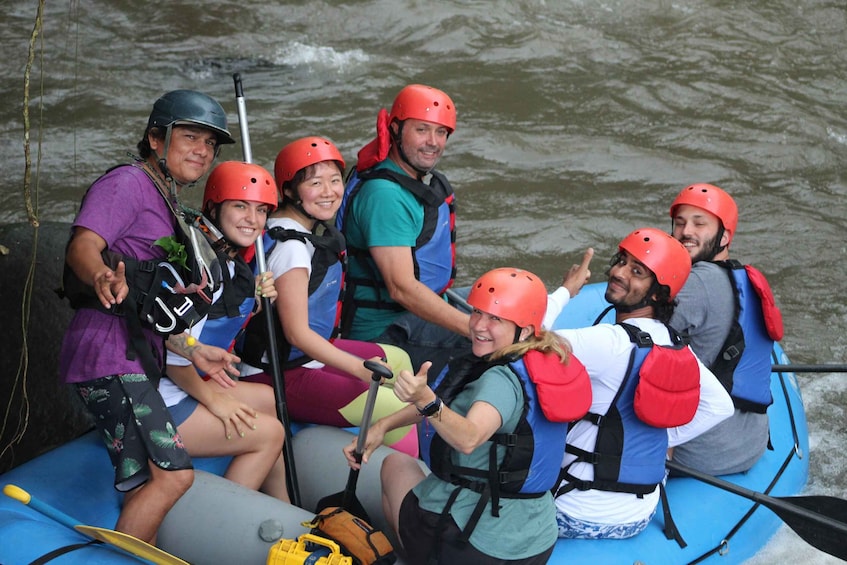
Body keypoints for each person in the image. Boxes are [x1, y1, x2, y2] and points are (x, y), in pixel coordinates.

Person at [58, 90, 242, 544]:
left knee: (148, 480)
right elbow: (84, 243)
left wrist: (195, 350)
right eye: (191, 136)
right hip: (108, 355)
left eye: (210, 144)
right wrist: (101, 275)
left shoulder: (167, 199)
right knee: (174, 475)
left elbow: (152, 308)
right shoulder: (128, 183)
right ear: (156, 138)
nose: (202, 150)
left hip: (135, 354)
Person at [344, 268, 592, 565]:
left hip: (475, 548)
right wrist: (384, 425)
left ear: (523, 329)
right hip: (535, 542)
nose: (478, 326)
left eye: (495, 319)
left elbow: (469, 437)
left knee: (394, 464)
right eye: (477, 312)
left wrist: (426, 400)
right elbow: (448, 402)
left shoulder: (499, 380)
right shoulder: (545, 353)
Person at [239, 136, 417, 455]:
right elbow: (297, 334)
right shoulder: (292, 249)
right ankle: (417, 479)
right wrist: (358, 368)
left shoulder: (291, 227)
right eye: (315, 182)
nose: (329, 191)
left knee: (399, 359)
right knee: (393, 408)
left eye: (335, 180)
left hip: (303, 360)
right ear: (290, 190)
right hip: (277, 373)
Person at [552, 228, 734, 540]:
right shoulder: (674, 343)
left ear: (658, 293)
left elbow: (523, 335)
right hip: (639, 514)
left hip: (574, 512)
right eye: (620, 261)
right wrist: (658, 439)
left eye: (636, 271)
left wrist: (566, 291)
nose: (618, 272)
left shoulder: (608, 341)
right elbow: (721, 407)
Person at [159, 160, 289, 502]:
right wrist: (214, 401)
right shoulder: (200, 270)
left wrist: (255, 300)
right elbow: (172, 352)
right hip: (162, 401)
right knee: (270, 434)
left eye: (261, 210)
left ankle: (286, 508)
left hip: (186, 386)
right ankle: (222, 520)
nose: (252, 219)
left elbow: (218, 323)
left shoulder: (228, 261)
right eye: (240, 206)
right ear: (214, 207)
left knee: (271, 400)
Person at [336, 84, 470, 379]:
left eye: (441, 132)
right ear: (395, 129)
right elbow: (403, 289)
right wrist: (472, 328)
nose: (432, 142)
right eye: (422, 130)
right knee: (491, 342)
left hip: (414, 317)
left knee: (502, 306)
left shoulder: (417, 180)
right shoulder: (385, 195)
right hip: (381, 335)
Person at [667, 184, 783, 476]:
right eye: (680, 223)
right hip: (749, 441)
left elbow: (629, 344)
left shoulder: (696, 284)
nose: (686, 231)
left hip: (700, 453)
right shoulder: (742, 276)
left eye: (699, 223)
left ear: (725, 236)